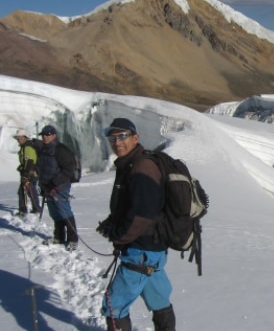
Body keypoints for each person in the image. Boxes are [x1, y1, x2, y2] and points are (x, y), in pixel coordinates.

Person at [96, 118, 176, 331]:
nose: (117, 142)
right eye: (113, 138)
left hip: (141, 250)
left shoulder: (142, 167)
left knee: (114, 305)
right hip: (152, 249)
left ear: (135, 138)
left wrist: (119, 236)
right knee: (160, 302)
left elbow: (142, 214)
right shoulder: (133, 164)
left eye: (122, 136)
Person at [37, 125, 79, 251]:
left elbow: (68, 169)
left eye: (48, 134)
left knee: (64, 211)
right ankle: (59, 237)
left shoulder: (61, 150)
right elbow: (43, 169)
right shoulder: (44, 149)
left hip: (60, 187)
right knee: (55, 213)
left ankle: (73, 239)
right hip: (48, 188)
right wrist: (43, 185)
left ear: (54, 135)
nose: (45, 136)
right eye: (43, 134)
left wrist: (54, 183)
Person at [13, 129, 42, 217]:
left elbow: (30, 161)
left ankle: (27, 210)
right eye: (17, 138)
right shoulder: (25, 146)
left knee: (25, 191)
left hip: (30, 174)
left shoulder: (28, 147)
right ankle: (33, 208)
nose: (18, 139)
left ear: (25, 137)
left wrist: (26, 175)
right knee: (27, 190)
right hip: (30, 173)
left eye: (20, 138)